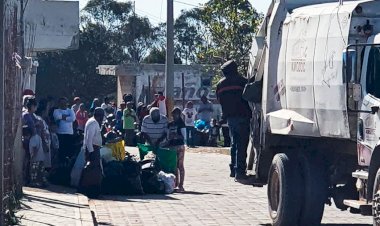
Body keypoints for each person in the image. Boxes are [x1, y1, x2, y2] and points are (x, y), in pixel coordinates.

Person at [216, 60, 253, 183]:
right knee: (242, 145)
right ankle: (240, 172)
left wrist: (224, 117)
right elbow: (250, 97)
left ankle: (233, 169)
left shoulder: (220, 85)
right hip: (243, 116)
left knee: (234, 144)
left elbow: (221, 102)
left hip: (230, 118)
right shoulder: (242, 82)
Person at [80, 107, 104, 198]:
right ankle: (89, 190)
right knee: (91, 171)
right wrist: (91, 153)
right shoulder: (93, 123)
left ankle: (93, 189)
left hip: (94, 149)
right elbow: (89, 140)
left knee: (95, 171)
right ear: (99, 116)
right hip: (92, 149)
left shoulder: (94, 122)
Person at [167, 107, 186, 192]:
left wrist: (176, 135)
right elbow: (167, 135)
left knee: (180, 166)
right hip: (171, 146)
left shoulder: (181, 124)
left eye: (177, 114)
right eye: (174, 114)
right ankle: (175, 184)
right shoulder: (170, 124)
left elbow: (184, 137)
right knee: (173, 166)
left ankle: (181, 185)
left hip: (179, 146)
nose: (175, 115)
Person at [53, 97, 76, 164]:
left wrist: (63, 117)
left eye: (64, 102)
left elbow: (73, 118)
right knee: (61, 151)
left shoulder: (70, 111)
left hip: (69, 134)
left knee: (69, 151)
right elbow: (57, 117)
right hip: (60, 133)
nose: (63, 104)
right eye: (61, 103)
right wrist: (67, 117)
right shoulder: (56, 111)